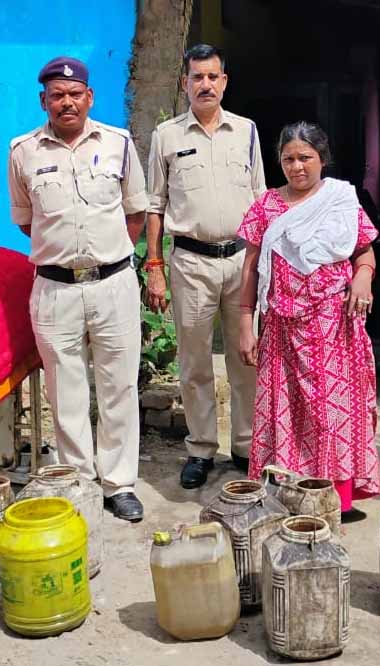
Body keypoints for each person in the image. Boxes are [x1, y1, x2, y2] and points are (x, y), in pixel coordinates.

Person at [8, 56, 148, 522]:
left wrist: (107, 258)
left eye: (75, 94)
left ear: (89, 97)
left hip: (114, 284)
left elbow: (135, 214)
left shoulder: (119, 144)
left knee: (118, 387)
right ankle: (78, 482)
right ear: (43, 101)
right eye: (56, 95)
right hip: (54, 288)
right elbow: (28, 220)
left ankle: (118, 483)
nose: (66, 102)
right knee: (64, 391)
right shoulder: (23, 151)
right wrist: (67, 257)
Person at [237, 121, 380, 513]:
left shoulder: (340, 200)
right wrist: (246, 323)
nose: (297, 167)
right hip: (282, 326)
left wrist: (363, 278)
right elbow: (251, 267)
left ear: (322, 159)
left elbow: (363, 251)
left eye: (306, 158)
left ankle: (338, 498)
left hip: (335, 325)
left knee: (332, 411)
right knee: (285, 409)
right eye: (288, 159)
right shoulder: (265, 206)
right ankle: (287, 493)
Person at [145, 44, 266, 489]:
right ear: (185, 84)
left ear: (225, 82)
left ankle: (246, 446)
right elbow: (154, 205)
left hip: (241, 261)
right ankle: (199, 449)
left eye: (213, 77)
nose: (205, 85)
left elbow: (261, 201)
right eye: (197, 77)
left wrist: (264, 265)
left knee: (246, 357)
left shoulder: (247, 131)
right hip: (190, 262)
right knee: (194, 362)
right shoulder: (167, 136)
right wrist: (154, 265)